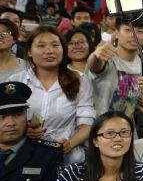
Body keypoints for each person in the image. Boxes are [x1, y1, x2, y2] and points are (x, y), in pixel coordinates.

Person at [10, 26, 95, 165]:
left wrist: (70, 143)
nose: (49, 51)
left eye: (55, 45)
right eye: (41, 46)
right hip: (24, 158)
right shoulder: (16, 81)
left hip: (67, 160)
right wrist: (23, 129)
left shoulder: (80, 80)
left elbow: (87, 124)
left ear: (63, 49)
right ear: (29, 51)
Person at [86, 16, 143, 121]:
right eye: (128, 30)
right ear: (117, 33)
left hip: (125, 129)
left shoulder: (138, 60)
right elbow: (95, 66)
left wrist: (138, 102)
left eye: (140, 31)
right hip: (100, 128)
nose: (133, 35)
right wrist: (95, 55)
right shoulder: (107, 57)